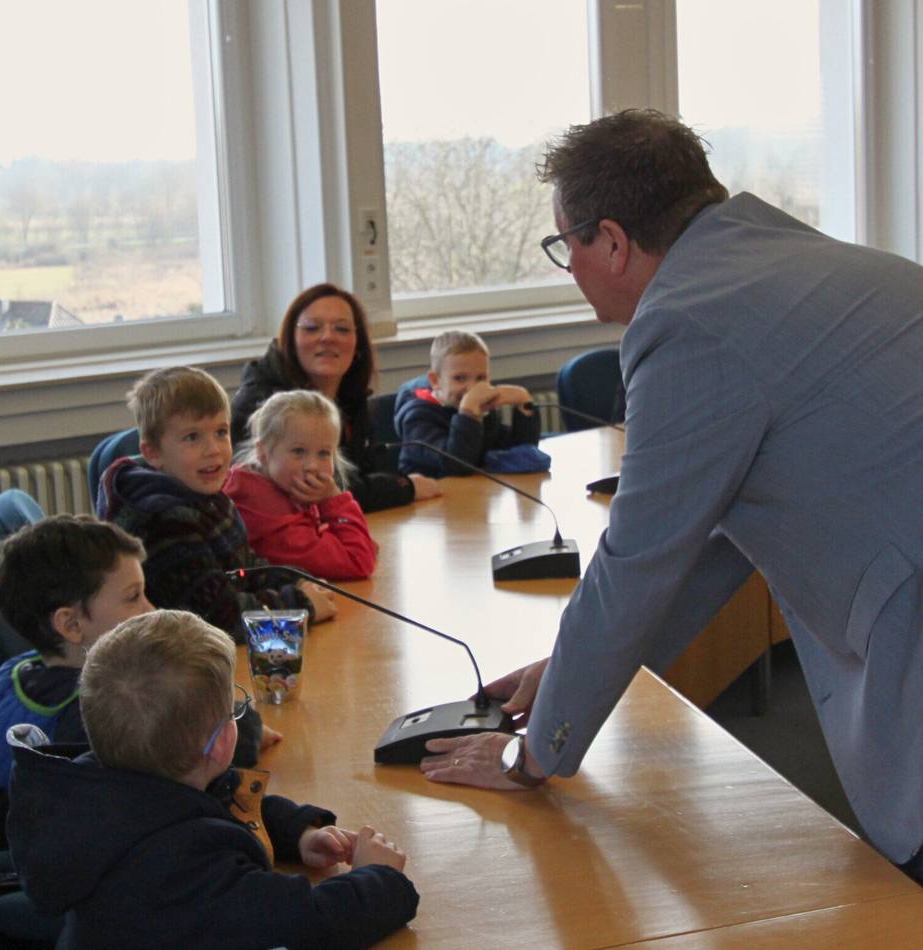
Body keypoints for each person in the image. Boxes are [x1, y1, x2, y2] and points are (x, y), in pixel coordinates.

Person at [418, 109, 923, 882]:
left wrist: (532, 756)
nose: (571, 267)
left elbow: (641, 559)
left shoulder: (688, 322)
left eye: (567, 246)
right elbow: (710, 541)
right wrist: (566, 670)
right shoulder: (803, 262)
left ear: (612, 241)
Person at [6, 609, 419, 948]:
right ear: (223, 743)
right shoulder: (184, 866)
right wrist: (380, 878)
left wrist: (298, 833)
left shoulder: (104, 791)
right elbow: (310, 922)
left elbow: (218, 800)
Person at [0, 516, 278, 859]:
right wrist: (244, 724)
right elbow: (194, 769)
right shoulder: (100, 710)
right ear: (70, 624)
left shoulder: (14, 671)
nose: (151, 609)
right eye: (133, 597)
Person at [97, 366, 337, 640]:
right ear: (153, 453)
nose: (213, 450)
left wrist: (295, 579)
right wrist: (300, 606)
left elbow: (245, 568)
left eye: (221, 432)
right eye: (192, 437)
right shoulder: (164, 521)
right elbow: (217, 619)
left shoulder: (205, 494)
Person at [230, 282, 442, 512]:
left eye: (342, 329)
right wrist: (403, 487)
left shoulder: (350, 398)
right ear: (290, 340)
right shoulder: (260, 401)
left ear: (357, 344)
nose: (327, 337)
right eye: (312, 328)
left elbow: (356, 476)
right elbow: (309, 488)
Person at [224, 390, 377, 580]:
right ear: (263, 453)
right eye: (298, 451)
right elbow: (357, 560)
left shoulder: (284, 487)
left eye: (323, 453)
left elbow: (366, 547)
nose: (312, 466)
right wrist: (335, 500)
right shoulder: (263, 508)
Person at [393, 330, 542, 477]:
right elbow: (456, 465)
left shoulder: (483, 410)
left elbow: (519, 454)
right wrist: (468, 414)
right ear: (435, 381)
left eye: (480, 378)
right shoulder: (418, 418)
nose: (472, 388)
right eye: (460, 378)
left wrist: (525, 406)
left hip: (474, 492)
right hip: (431, 496)